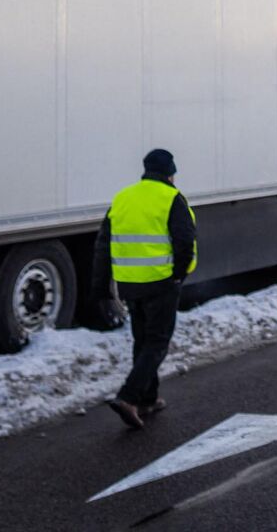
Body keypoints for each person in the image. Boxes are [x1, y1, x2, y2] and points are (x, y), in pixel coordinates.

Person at [93, 148, 197, 429]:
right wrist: (178, 275)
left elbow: (103, 246)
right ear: (170, 173)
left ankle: (148, 399)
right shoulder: (171, 198)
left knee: (143, 341)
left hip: (129, 284)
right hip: (161, 282)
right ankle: (128, 397)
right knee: (157, 342)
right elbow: (185, 241)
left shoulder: (123, 198)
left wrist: (102, 289)